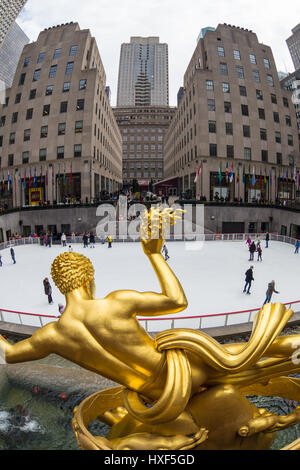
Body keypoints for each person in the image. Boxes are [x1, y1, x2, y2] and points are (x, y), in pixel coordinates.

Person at [1, 210, 300, 450]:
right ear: (89, 278)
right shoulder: (115, 303)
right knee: (255, 352)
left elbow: (11, 354)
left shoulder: (52, 335)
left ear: (59, 285)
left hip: (161, 397)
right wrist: (154, 254)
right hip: (181, 370)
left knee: (249, 362)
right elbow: (176, 300)